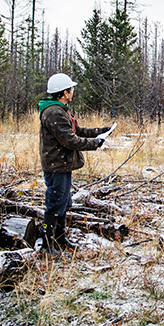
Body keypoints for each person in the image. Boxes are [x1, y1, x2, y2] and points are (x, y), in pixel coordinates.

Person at [38, 73, 110, 256]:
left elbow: (76, 130)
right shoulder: (54, 112)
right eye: (71, 89)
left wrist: (99, 132)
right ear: (64, 92)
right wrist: (96, 143)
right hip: (56, 166)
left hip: (62, 164)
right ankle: (47, 244)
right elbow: (70, 140)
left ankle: (59, 239)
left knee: (61, 204)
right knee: (54, 206)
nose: (73, 92)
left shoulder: (61, 110)